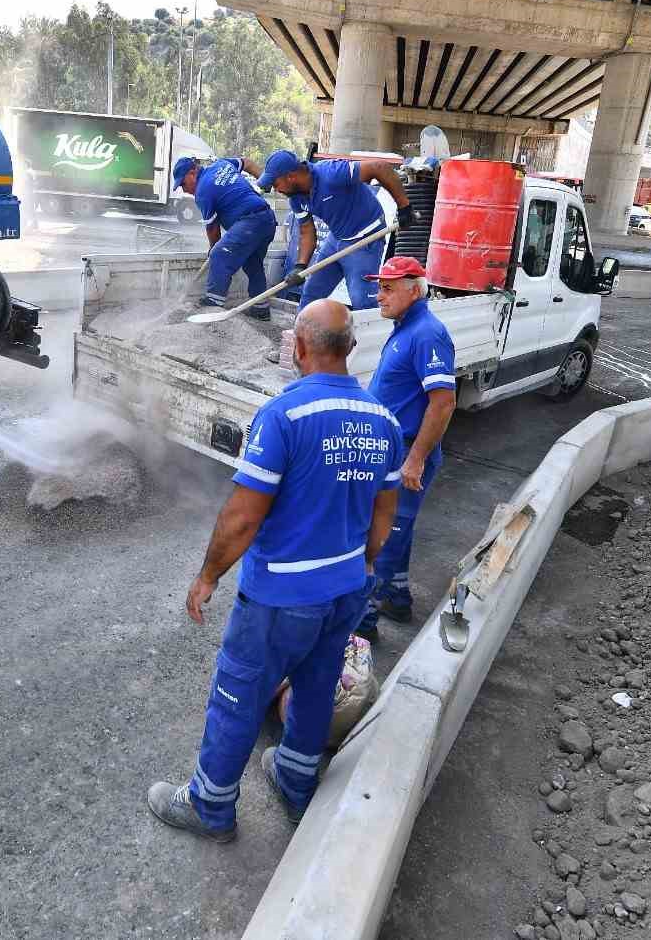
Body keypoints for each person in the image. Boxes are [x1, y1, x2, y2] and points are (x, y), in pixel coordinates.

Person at [148, 300, 402, 841]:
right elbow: (384, 518)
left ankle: (210, 807)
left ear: (300, 349)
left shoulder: (284, 416)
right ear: (352, 350)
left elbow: (242, 517)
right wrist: (363, 568)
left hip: (281, 599)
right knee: (314, 686)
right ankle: (294, 778)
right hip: (346, 589)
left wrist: (208, 575)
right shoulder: (384, 420)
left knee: (238, 692)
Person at [355, 258, 456, 642]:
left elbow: (443, 402)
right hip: (393, 451)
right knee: (398, 530)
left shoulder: (427, 334)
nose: (378, 295)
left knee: (380, 535)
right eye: (378, 286)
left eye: (387, 288)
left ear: (414, 289)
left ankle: (362, 625)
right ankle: (396, 597)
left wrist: (415, 460)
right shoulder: (406, 328)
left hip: (406, 454)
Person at [256, 150, 415, 312]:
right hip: (336, 239)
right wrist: (300, 266)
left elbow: (379, 167)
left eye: (276, 184)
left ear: (290, 177)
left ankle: (370, 336)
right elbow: (307, 230)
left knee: (362, 301)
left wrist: (404, 206)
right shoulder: (296, 199)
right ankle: (301, 336)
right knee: (311, 293)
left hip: (365, 238)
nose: (276, 190)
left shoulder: (331, 173)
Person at [172, 155, 276, 319]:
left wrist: (214, 252)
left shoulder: (202, 192)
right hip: (267, 219)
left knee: (219, 255)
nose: (184, 190)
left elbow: (213, 229)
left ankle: (213, 306)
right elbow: (247, 162)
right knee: (253, 264)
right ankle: (261, 309)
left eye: (183, 184)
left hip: (251, 222)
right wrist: (263, 179)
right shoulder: (221, 164)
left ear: (192, 172)